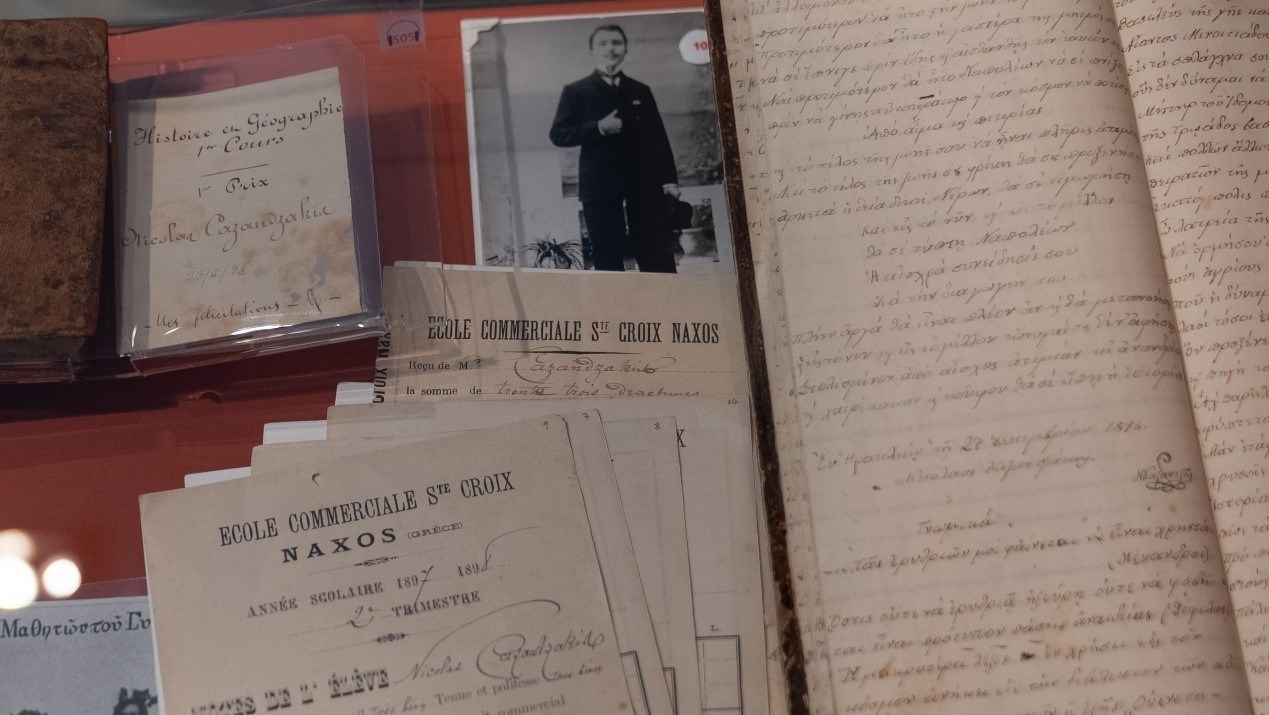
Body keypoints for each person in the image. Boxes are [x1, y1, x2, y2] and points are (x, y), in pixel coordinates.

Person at [549, 24, 680, 272]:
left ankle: (662, 295)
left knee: (655, 250)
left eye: (617, 43)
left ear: (625, 49)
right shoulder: (576, 91)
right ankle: (615, 298)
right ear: (591, 50)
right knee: (607, 255)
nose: (610, 48)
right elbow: (558, 134)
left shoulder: (640, 90)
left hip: (643, 182)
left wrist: (669, 180)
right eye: (603, 43)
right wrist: (599, 127)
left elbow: (657, 138)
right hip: (598, 184)